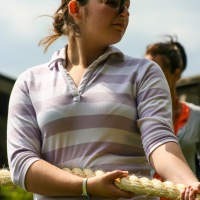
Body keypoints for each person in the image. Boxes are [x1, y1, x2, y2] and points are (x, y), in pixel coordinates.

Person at [7, 1, 200, 200]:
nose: (124, 12)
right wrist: (86, 186)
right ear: (75, 9)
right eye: (112, 2)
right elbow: (22, 165)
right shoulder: (29, 82)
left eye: (126, 5)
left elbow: (160, 142)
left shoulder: (143, 73)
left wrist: (189, 183)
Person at [145, 36, 200, 199]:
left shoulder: (196, 117)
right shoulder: (137, 116)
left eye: (155, 70)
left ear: (176, 74)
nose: (147, 76)